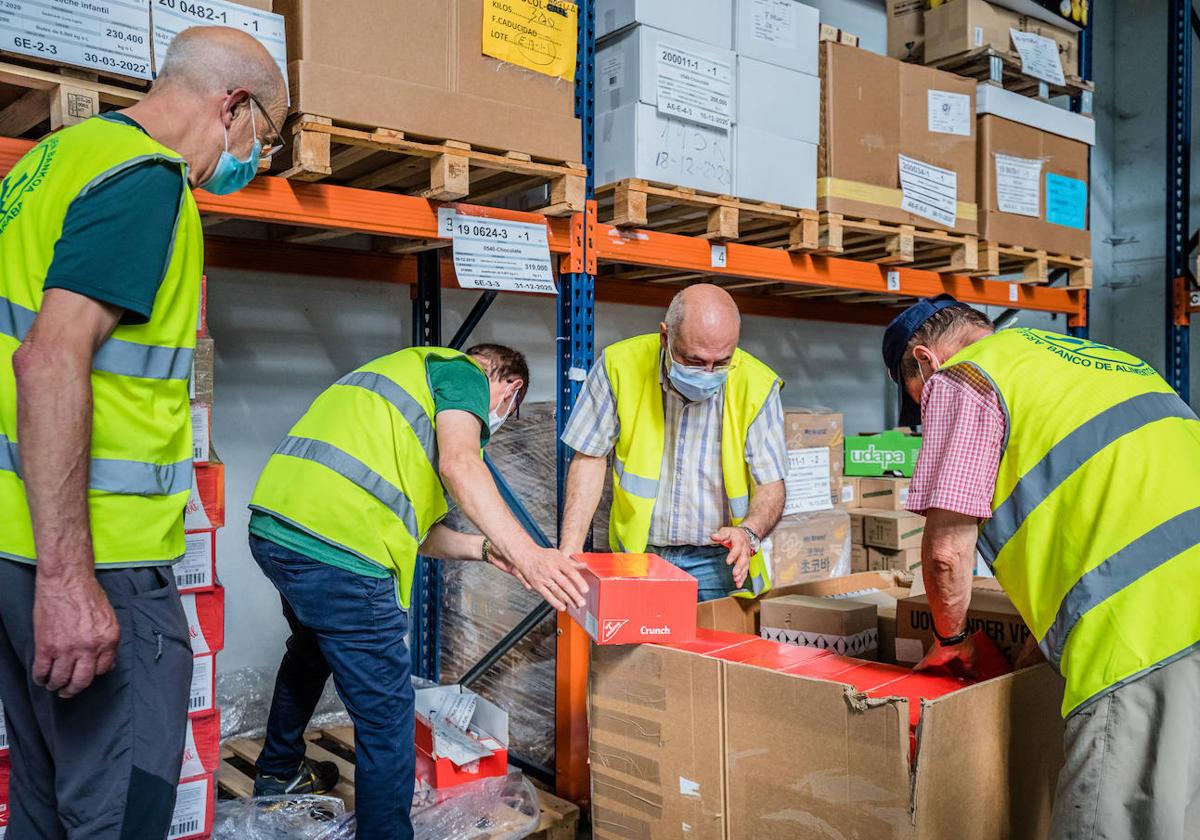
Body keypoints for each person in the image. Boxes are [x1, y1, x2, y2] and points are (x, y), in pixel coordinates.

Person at [0, 27, 285, 839]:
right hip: (97, 563)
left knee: (46, 809)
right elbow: (49, 359)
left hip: (18, 549)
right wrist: (68, 580)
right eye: (262, 137)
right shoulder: (144, 180)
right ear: (232, 107)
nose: (255, 160)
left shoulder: (53, 161)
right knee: (121, 810)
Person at [882, 295, 1200, 840]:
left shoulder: (964, 380)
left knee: (1111, 818)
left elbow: (945, 552)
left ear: (926, 362)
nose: (928, 412)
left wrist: (951, 641)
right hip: (1181, 610)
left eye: (919, 401)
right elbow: (1088, 522)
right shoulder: (1094, 360)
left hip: (1145, 631)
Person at [247, 343, 587, 840]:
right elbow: (461, 464)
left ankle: (278, 773)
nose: (491, 426)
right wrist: (530, 555)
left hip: (280, 530)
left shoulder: (405, 400)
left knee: (310, 651)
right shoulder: (462, 372)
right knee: (387, 716)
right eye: (503, 417)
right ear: (510, 389)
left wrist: (486, 549)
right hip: (342, 551)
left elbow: (416, 533)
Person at [559, 283, 788, 601]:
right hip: (639, 558)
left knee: (711, 651)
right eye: (694, 362)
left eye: (721, 363)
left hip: (718, 564)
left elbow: (770, 483)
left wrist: (748, 532)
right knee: (642, 652)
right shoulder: (619, 366)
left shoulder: (757, 385)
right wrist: (570, 552)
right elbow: (589, 457)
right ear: (665, 337)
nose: (708, 373)